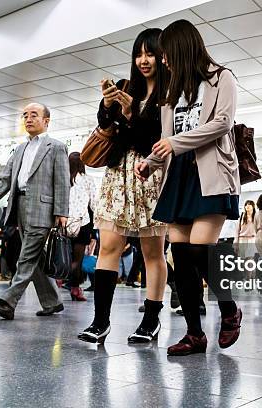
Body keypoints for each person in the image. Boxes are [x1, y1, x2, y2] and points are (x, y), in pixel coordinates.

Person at [135, 20, 242, 356]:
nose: (163, 61)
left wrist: (175, 143)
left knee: (200, 250)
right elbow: (166, 140)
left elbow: (222, 122)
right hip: (179, 176)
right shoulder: (172, 93)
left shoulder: (221, 77)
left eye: (166, 55)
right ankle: (195, 334)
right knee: (180, 258)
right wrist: (150, 163)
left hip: (211, 174)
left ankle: (229, 310)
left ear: (181, 49)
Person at [78, 28, 169, 344]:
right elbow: (106, 128)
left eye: (151, 53)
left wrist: (132, 114)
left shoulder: (170, 96)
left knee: (152, 252)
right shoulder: (125, 87)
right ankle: (100, 321)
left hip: (151, 174)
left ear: (163, 55)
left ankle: (151, 320)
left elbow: (154, 143)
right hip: (118, 174)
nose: (144, 60)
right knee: (108, 247)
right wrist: (107, 105)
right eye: (139, 54)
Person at [0, 102, 70, 320]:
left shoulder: (56, 147)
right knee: (36, 258)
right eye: (25, 115)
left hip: (43, 209)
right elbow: (6, 177)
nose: (28, 119)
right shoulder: (20, 148)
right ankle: (53, 302)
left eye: (34, 115)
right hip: (19, 207)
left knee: (27, 258)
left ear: (46, 121)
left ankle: (8, 303)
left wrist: (61, 211)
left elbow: (62, 182)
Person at [67, 152, 97, 301]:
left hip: (64, 223)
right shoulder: (88, 180)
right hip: (82, 223)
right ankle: (75, 289)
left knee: (64, 256)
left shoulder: (63, 180)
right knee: (77, 260)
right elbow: (94, 204)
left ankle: (61, 279)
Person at [235, 200, 259, 293]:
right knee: (245, 263)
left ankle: (248, 283)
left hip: (252, 240)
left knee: (249, 260)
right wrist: (236, 242)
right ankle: (252, 279)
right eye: (246, 205)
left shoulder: (257, 217)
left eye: (249, 205)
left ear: (253, 206)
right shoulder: (241, 216)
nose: (247, 206)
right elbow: (237, 230)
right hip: (242, 240)